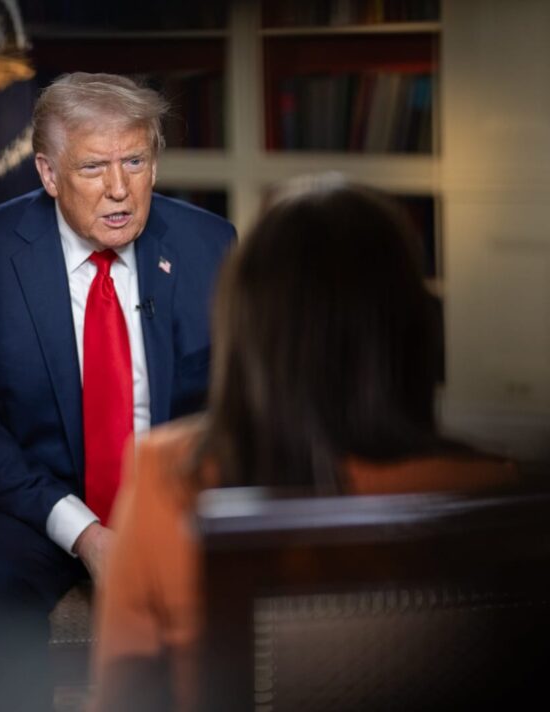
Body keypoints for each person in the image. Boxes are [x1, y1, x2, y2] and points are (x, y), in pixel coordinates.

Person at [90, 182, 519, 710]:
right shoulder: (496, 489)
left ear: (246, 322)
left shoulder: (169, 478)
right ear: (412, 328)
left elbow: (124, 701)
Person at [0, 72, 236, 710]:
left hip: (168, 499)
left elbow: (234, 405)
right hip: (27, 504)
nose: (119, 189)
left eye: (135, 162)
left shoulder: (208, 246)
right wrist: (85, 532)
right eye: (93, 167)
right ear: (49, 173)